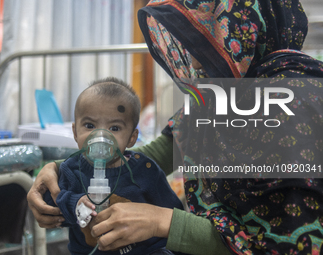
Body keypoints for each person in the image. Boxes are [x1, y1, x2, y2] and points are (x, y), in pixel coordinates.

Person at [27, 0, 323, 254]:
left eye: (206, 41)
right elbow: (149, 157)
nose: (192, 59)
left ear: (244, 29)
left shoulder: (296, 108)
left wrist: (162, 221)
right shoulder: (224, 97)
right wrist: (63, 169)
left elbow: (277, 244)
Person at [42, 77, 184, 255]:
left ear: (132, 138)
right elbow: (50, 207)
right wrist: (75, 203)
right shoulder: (71, 170)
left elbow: (173, 215)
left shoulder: (145, 171)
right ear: (75, 132)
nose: (100, 136)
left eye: (114, 128)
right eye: (89, 125)